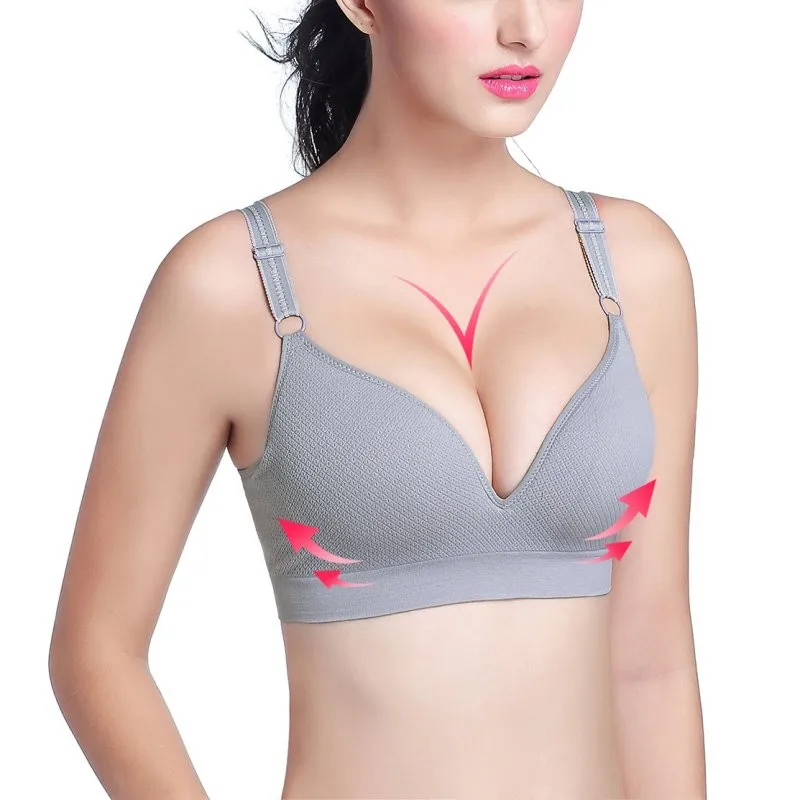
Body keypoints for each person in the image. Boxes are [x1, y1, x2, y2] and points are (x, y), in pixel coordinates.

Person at [48, 0, 706, 797]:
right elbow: (96, 651)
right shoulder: (230, 285)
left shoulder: (635, 268)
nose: (525, 27)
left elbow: (650, 661)